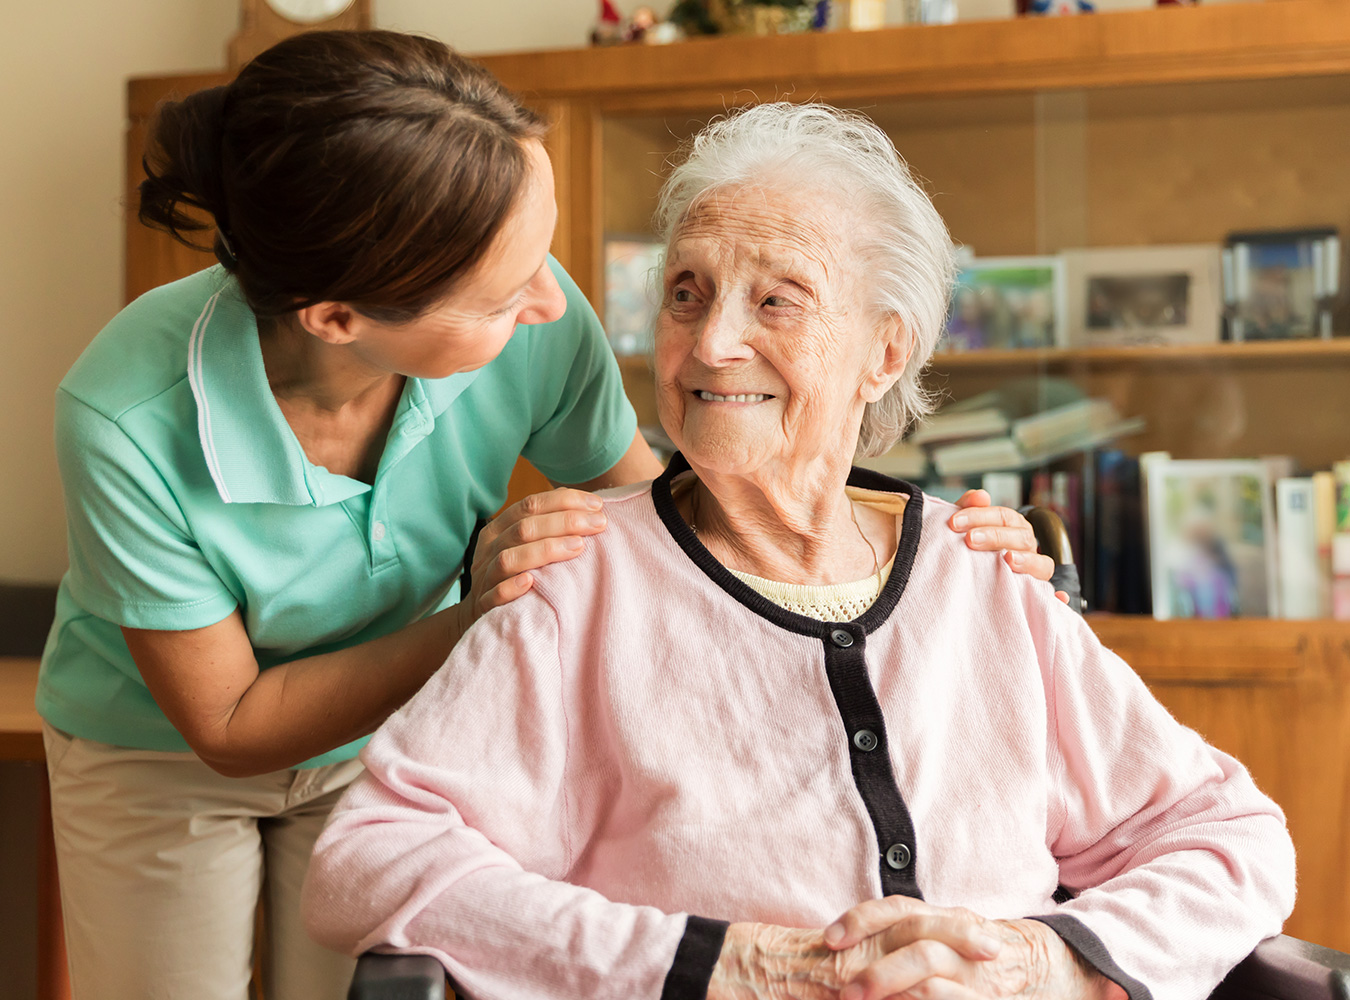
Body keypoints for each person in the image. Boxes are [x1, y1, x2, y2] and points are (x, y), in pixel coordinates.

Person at [37, 32, 1047, 1000]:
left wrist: (915, 545)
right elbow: (228, 722)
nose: (553, 305)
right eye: (506, 290)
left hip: (399, 736)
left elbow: (686, 510)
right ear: (339, 319)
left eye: (541, 258)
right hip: (164, 755)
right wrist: (480, 612)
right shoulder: (126, 417)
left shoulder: (528, 318)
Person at [303, 102, 1296, 1000]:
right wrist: (719, 963)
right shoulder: (579, 581)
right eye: (686, 294)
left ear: (885, 352)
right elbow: (371, 858)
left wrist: (1051, 962)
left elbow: (1231, 837)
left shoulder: (985, 575)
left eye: (776, 300)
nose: (712, 342)